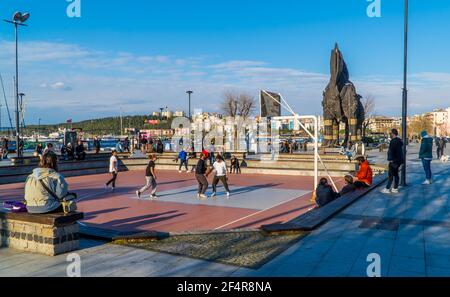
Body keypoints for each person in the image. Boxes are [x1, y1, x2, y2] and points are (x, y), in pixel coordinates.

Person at [382, 129, 404, 194]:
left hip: (393, 160)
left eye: (390, 133)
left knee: (391, 175)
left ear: (393, 134)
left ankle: (387, 188)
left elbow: (391, 151)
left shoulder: (393, 141)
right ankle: (395, 188)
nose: (390, 134)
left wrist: (390, 159)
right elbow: (400, 152)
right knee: (396, 174)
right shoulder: (399, 141)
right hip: (399, 160)